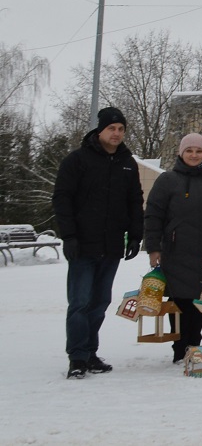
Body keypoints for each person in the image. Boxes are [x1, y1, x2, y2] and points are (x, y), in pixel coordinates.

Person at [53, 107, 143, 379]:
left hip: (111, 245)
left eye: (121, 129)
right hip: (82, 245)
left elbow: (134, 201)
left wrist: (136, 235)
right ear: (100, 130)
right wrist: (68, 236)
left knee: (100, 302)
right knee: (80, 303)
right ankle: (77, 357)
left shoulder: (128, 163)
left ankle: (90, 353)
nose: (116, 133)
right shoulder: (77, 160)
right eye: (111, 128)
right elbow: (62, 199)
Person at [143, 132, 202, 363]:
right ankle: (180, 348)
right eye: (189, 151)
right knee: (180, 300)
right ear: (181, 153)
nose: (194, 155)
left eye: (199, 151)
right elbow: (153, 215)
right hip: (176, 252)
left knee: (198, 301)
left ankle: (194, 345)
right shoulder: (168, 180)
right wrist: (154, 248)